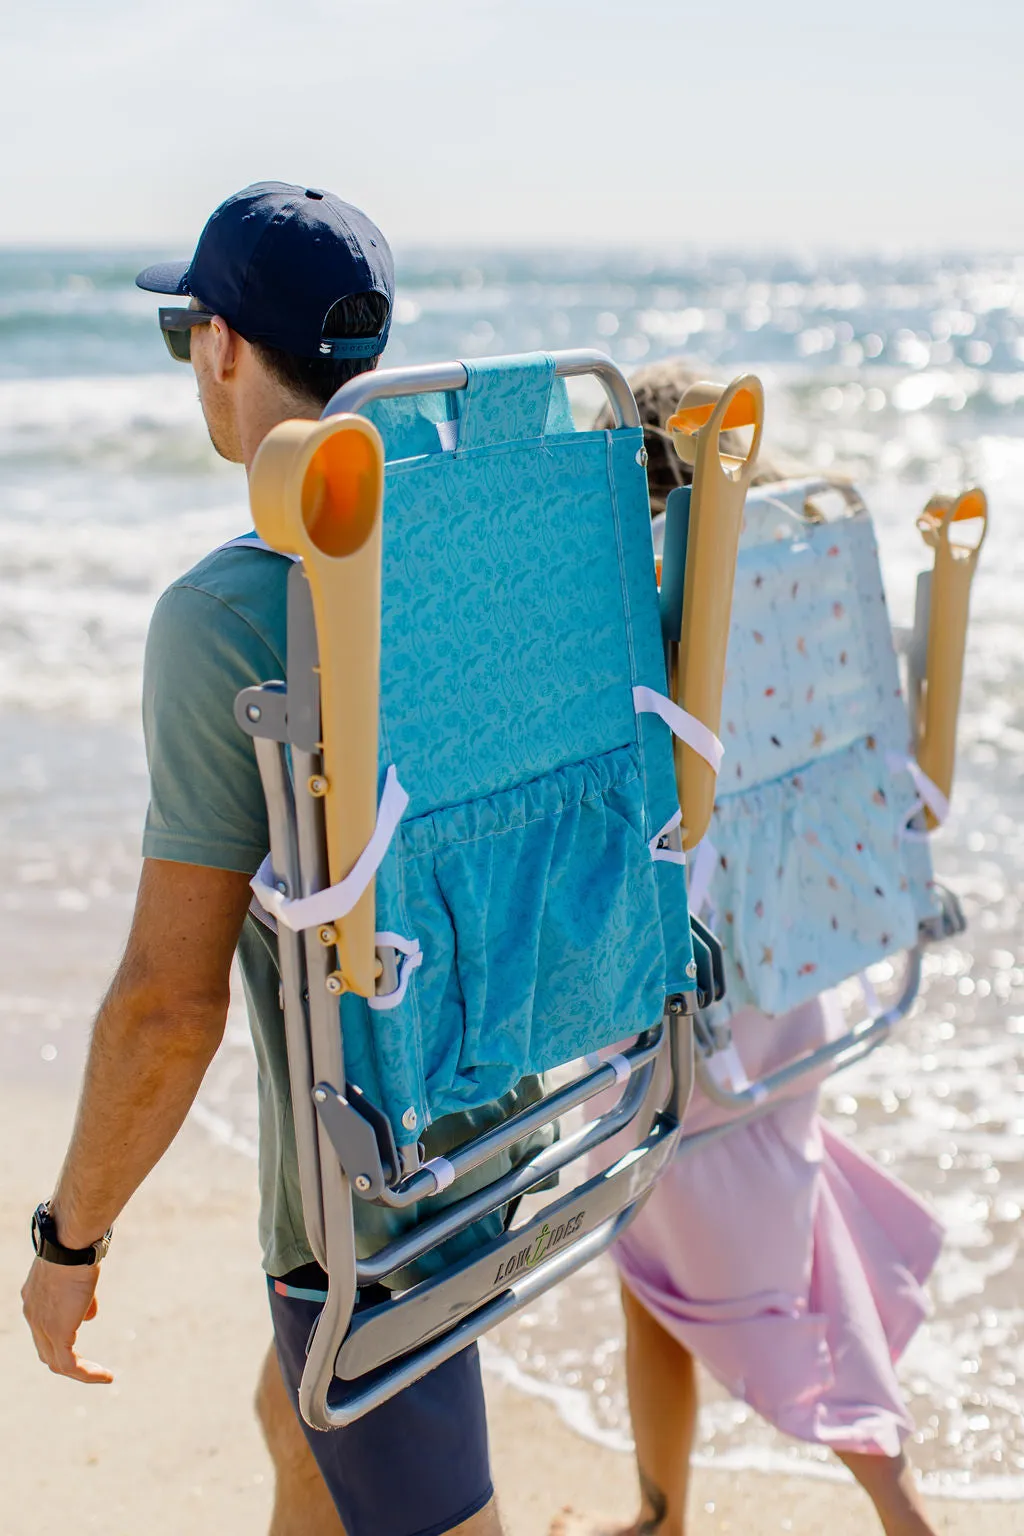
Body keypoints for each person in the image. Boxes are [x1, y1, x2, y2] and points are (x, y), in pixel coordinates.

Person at [20, 181, 508, 1536]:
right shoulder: (463, 557)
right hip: (502, 1108)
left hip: (371, 1183)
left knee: (418, 1501)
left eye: (189, 330)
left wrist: (69, 1237)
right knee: (291, 1427)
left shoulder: (234, 612)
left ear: (224, 344)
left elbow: (165, 1009)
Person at [552, 360, 944, 1536]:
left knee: (693, 1273)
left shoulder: (649, 628)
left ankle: (886, 1497)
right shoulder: (799, 619)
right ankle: (663, 1510)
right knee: (680, 1264)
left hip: (686, 999)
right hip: (787, 981)